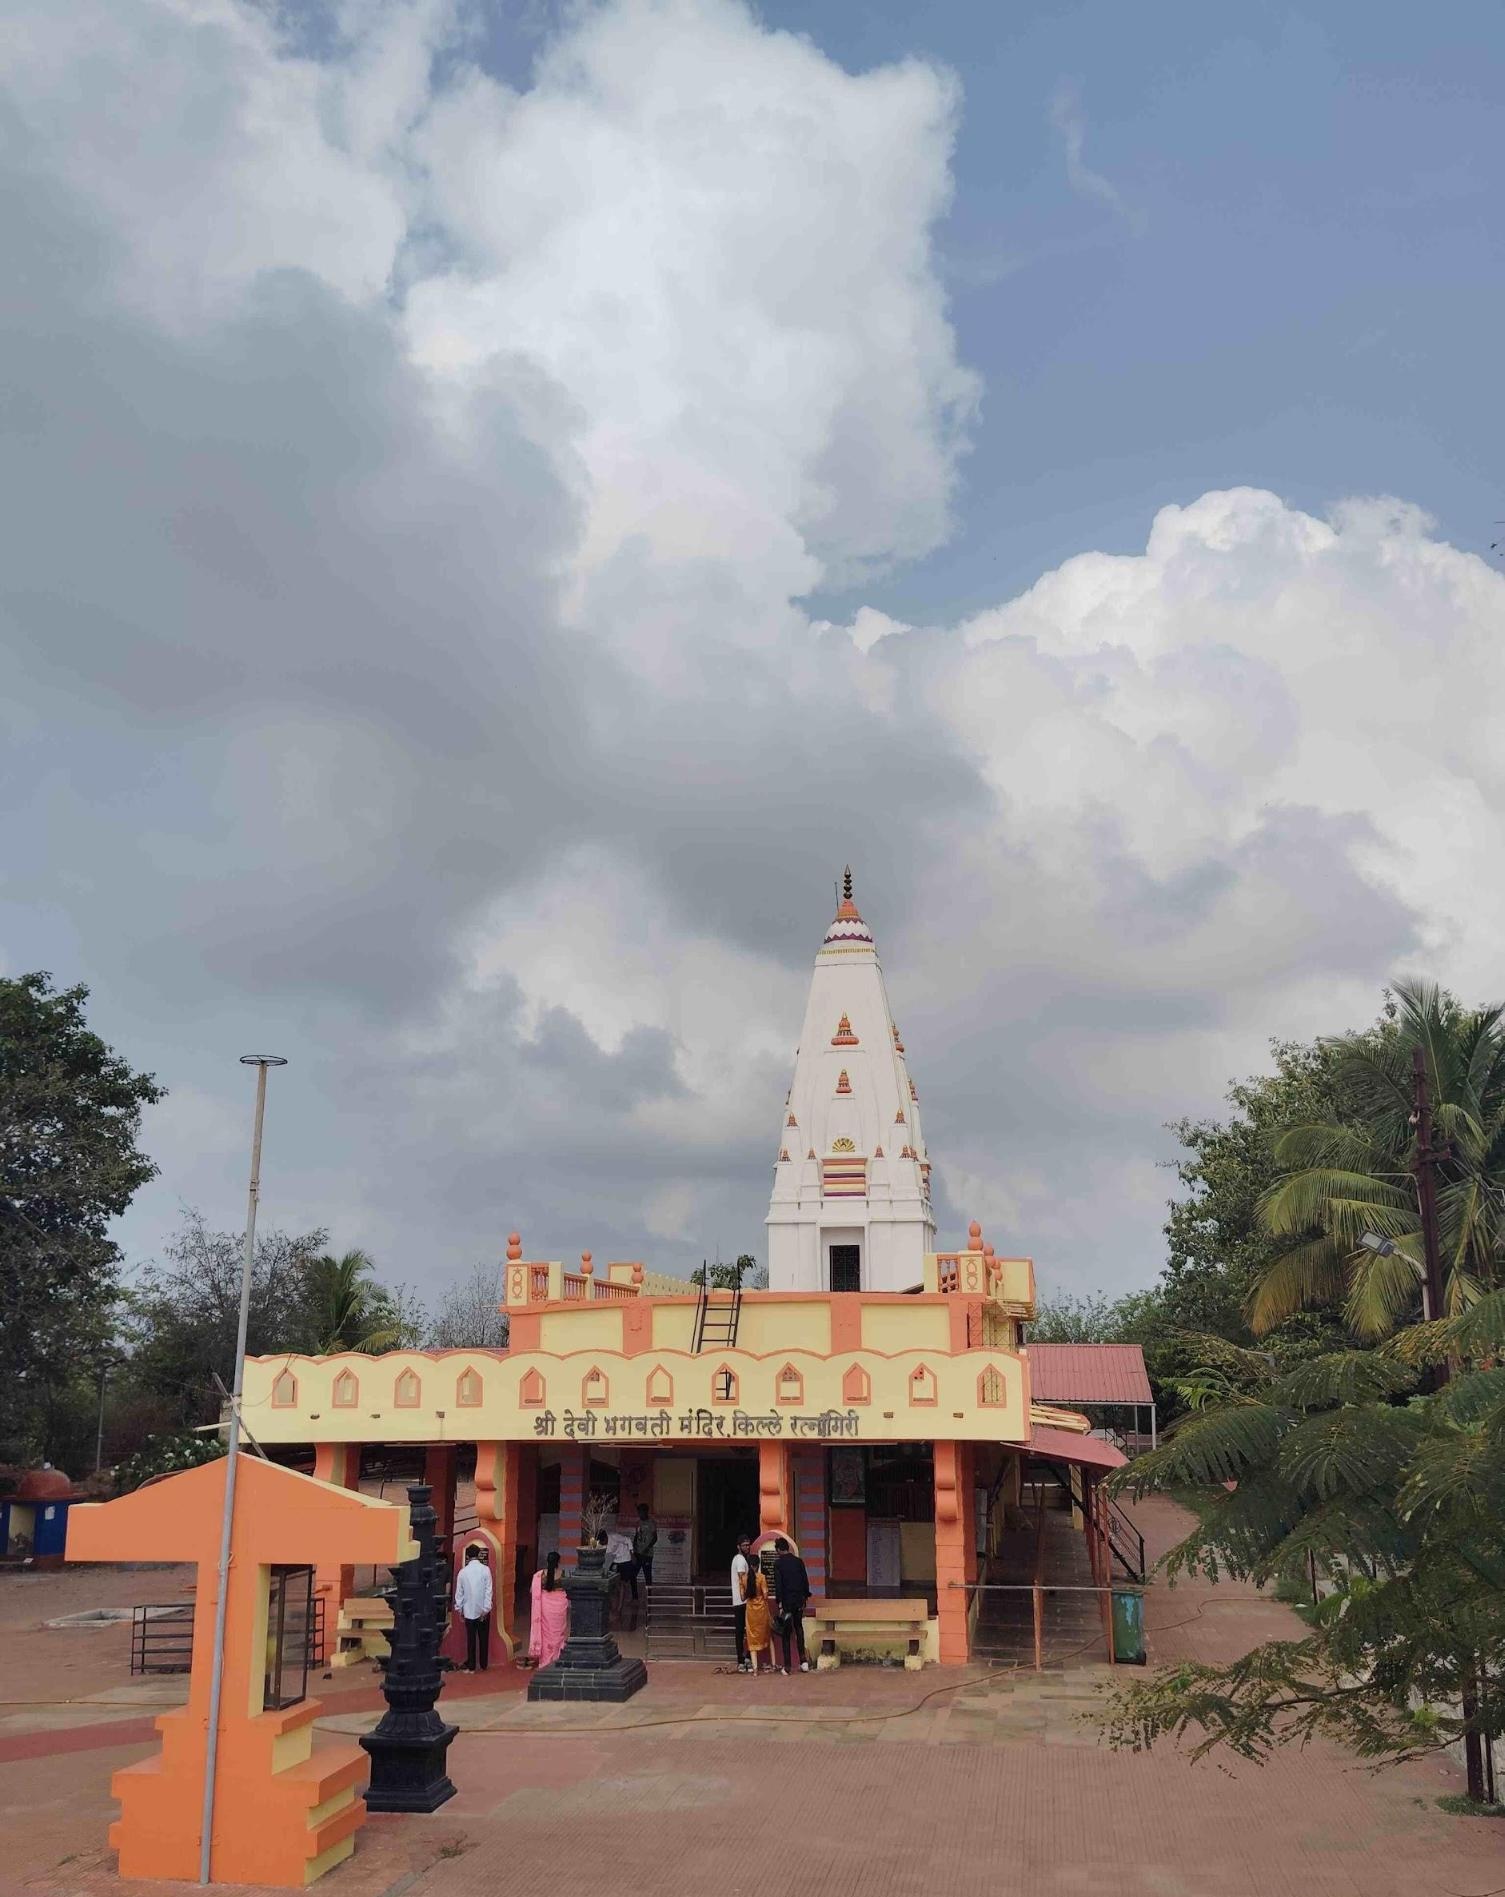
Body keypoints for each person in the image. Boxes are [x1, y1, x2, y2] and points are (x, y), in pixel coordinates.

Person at [771, 1536, 812, 1674]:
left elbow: (779, 1585)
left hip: (787, 1603)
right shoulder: (798, 1562)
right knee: (799, 1628)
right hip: (799, 1602)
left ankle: (787, 1666)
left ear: (778, 1549)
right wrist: (805, 1597)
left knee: (786, 1633)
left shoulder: (778, 1564)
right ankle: (803, 1662)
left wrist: (780, 1603)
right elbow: (805, 1581)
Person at [454, 1544, 494, 1673]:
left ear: (468, 1556)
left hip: (468, 1611)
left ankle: (471, 1665)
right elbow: (489, 1591)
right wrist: (486, 1609)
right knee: (483, 1638)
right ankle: (483, 1664)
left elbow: (459, 1593)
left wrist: (459, 1609)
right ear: (478, 1554)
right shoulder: (485, 1570)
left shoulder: (463, 1572)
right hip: (483, 1610)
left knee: (470, 1639)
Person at [529, 1550, 569, 1669]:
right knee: (558, 1633)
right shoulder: (563, 1573)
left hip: (545, 1606)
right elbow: (567, 1588)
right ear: (559, 1561)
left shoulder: (539, 1575)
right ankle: (557, 1657)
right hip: (560, 1606)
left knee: (546, 1633)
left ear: (547, 1561)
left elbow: (532, 1591)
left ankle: (545, 1659)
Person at [743, 1550, 774, 1676]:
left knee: (752, 1638)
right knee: (768, 1635)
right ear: (758, 1565)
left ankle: (755, 1669)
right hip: (762, 1610)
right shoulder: (761, 1577)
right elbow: (766, 1595)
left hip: (750, 1611)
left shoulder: (744, 1578)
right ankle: (773, 1664)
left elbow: (742, 1597)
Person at [730, 1533, 752, 1672]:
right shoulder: (740, 1560)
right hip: (741, 1601)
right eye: (744, 1545)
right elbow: (741, 1578)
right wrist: (745, 1596)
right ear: (738, 1546)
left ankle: (746, 1658)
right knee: (741, 1631)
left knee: (745, 1630)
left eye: (748, 1544)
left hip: (741, 1601)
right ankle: (741, 1660)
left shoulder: (744, 1559)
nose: (747, 1547)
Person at [629, 1501, 658, 1597]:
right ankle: (635, 1597)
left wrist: (647, 1548)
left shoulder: (651, 1523)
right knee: (632, 1575)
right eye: (638, 1512)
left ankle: (649, 1597)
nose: (639, 1514)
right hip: (638, 1553)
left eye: (641, 1512)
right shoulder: (638, 1523)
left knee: (647, 1577)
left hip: (647, 1554)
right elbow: (636, 1536)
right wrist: (633, 1549)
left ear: (646, 1512)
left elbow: (655, 1538)